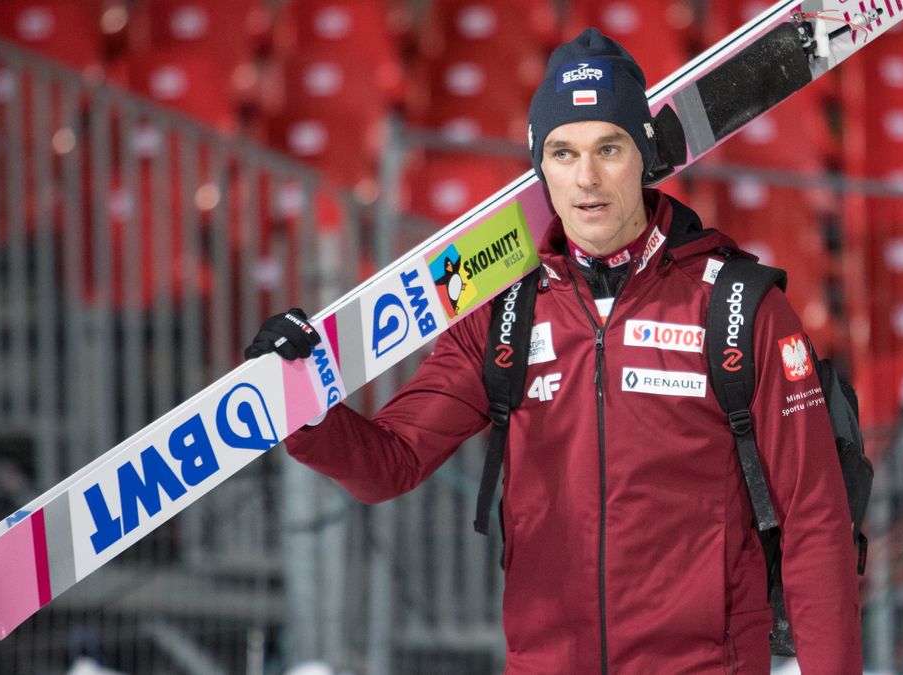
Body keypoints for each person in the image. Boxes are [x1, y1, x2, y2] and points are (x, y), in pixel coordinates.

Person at [245, 28, 863, 674]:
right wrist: (305, 406)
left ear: (644, 155)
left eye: (609, 148)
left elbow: (816, 522)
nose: (587, 178)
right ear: (541, 167)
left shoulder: (740, 307)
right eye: (563, 153)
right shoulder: (506, 310)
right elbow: (390, 461)